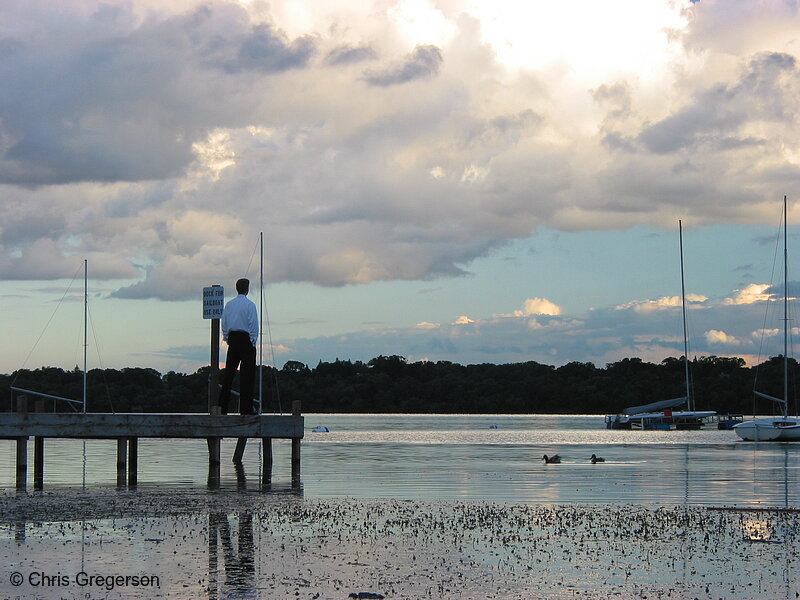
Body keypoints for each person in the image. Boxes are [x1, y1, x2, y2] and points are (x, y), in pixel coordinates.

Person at [218, 278, 258, 415]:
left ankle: (222, 408)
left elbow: (224, 322)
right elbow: (253, 324)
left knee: (229, 374)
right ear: (247, 288)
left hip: (233, 339)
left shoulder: (229, 305)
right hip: (246, 340)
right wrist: (252, 342)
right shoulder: (250, 305)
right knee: (247, 376)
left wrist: (227, 338)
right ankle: (246, 409)